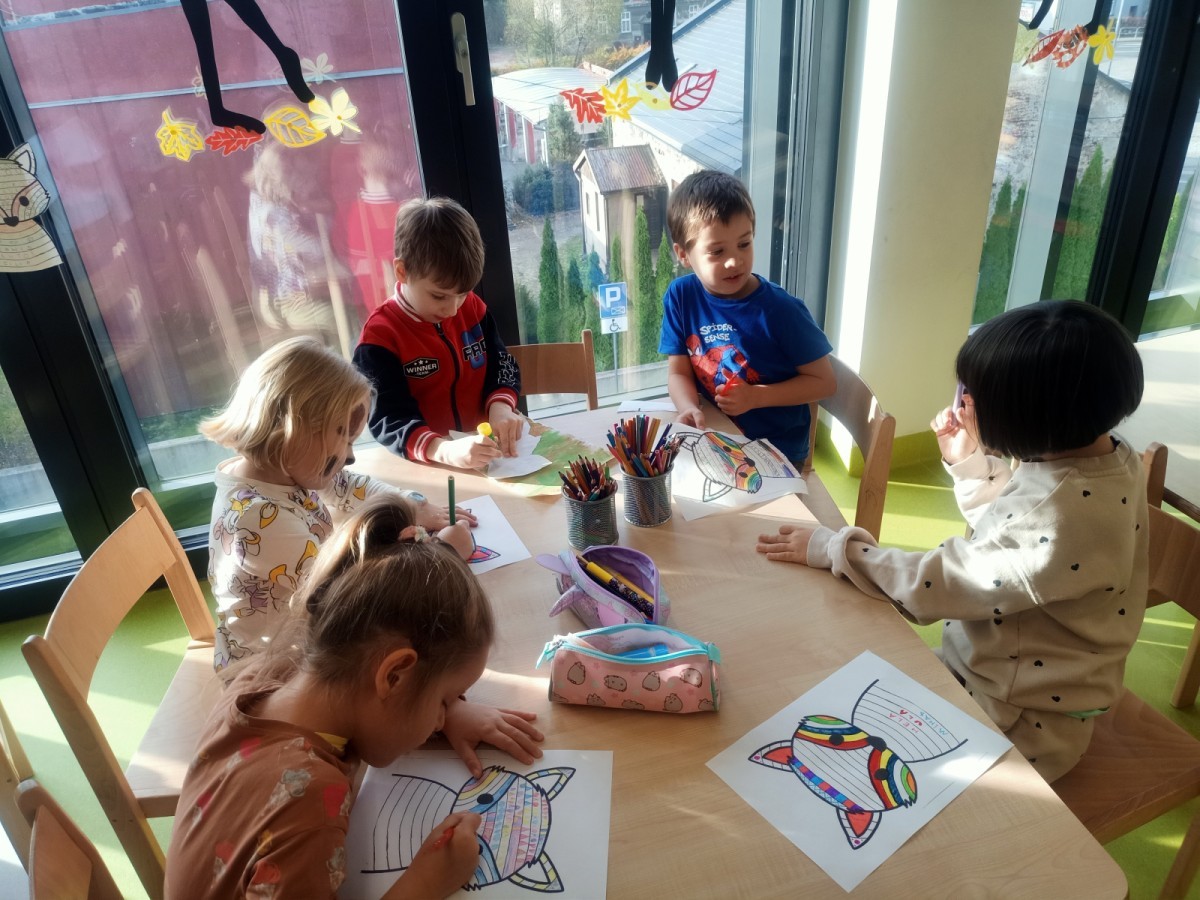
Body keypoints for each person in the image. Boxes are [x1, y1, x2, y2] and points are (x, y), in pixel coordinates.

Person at [756, 300, 1148, 783]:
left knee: (836, 728)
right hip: (1009, 676)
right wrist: (972, 468)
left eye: (971, 399)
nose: (962, 406)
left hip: (1021, 719)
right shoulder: (1107, 457)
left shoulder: (1058, 512)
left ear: (1026, 420)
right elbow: (1016, 542)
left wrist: (835, 548)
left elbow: (941, 583)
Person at [165, 494, 544, 899]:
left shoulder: (260, 680)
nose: (441, 717)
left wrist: (448, 711)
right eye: (444, 699)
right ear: (393, 676)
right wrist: (427, 883)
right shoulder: (308, 803)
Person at [200, 336, 478, 671]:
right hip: (271, 672)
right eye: (343, 438)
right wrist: (444, 552)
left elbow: (350, 485)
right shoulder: (258, 519)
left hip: (311, 633)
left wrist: (411, 505)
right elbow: (356, 598)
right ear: (295, 431)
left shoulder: (280, 469)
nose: (349, 456)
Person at [658, 170, 835, 464]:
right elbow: (678, 373)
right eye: (717, 251)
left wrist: (756, 397)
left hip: (776, 451)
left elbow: (825, 383)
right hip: (715, 437)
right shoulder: (680, 296)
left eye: (744, 244)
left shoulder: (781, 310)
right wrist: (688, 407)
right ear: (684, 254)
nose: (734, 261)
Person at [353, 197, 523, 469]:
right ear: (402, 271)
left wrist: (500, 406)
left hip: (488, 455)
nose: (453, 309)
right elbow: (387, 418)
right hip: (429, 462)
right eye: (439, 296)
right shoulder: (380, 338)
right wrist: (443, 451)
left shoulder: (473, 308)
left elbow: (501, 362)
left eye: (462, 294)